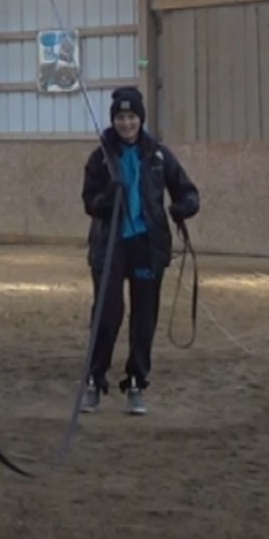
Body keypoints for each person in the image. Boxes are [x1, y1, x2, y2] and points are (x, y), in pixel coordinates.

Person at [80, 85, 200, 416]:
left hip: (147, 246)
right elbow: (89, 202)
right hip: (111, 246)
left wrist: (183, 208)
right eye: (120, 117)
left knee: (144, 319)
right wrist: (107, 198)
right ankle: (94, 379)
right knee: (107, 315)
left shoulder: (158, 156)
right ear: (113, 119)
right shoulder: (100, 158)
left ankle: (136, 381)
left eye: (132, 116)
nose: (126, 123)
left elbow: (187, 191)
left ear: (140, 119)